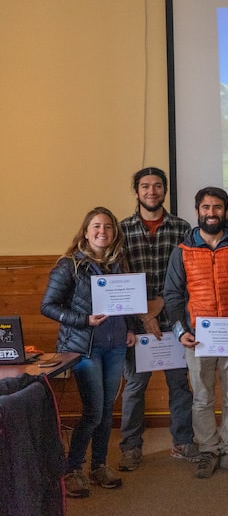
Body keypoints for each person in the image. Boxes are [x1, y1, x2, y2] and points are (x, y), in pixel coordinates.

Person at [163, 187, 228, 479]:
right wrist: (180, 331)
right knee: (202, 398)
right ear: (197, 211)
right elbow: (172, 296)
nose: (211, 213)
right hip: (198, 338)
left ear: (226, 212)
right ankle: (208, 449)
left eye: (217, 207)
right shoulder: (182, 252)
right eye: (206, 207)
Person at [41, 207, 136, 497]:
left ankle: (99, 465)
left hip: (116, 346)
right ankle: (72, 470)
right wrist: (85, 320)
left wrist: (130, 328)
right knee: (94, 412)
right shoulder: (69, 265)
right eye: (96, 226)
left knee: (107, 410)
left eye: (108, 227)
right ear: (85, 231)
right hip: (83, 349)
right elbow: (47, 306)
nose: (102, 232)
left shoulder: (119, 262)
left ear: (114, 232)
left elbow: (126, 302)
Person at [117, 167, 196, 472]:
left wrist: (158, 305)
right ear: (136, 190)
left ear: (165, 190)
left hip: (174, 322)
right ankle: (131, 447)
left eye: (158, 186)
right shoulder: (120, 230)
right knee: (135, 388)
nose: (152, 191)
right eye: (145, 186)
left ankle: (183, 441)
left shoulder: (182, 228)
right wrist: (143, 313)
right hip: (135, 327)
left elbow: (190, 275)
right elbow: (117, 279)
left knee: (180, 386)